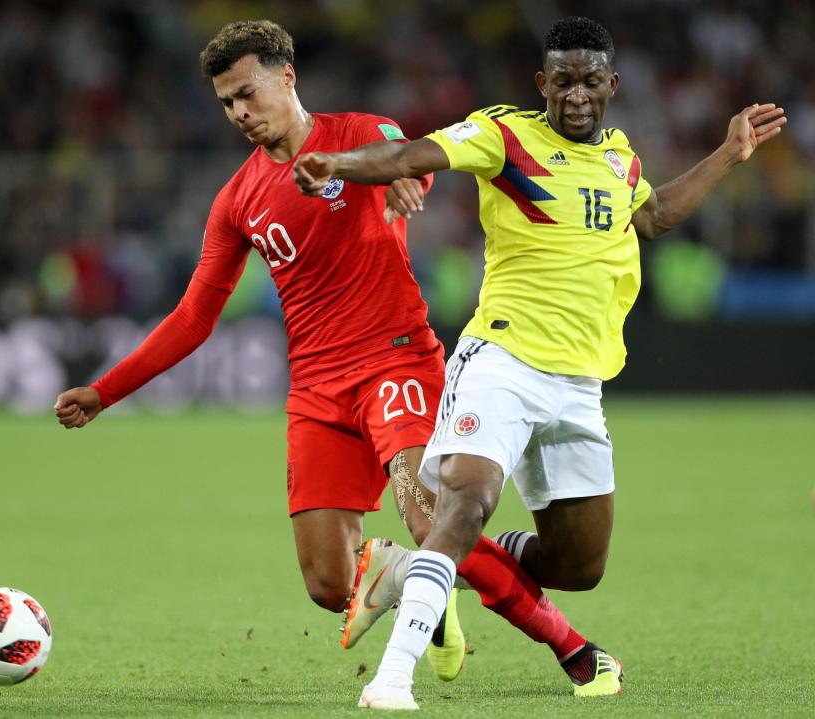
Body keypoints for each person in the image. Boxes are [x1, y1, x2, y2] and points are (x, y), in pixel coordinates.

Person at [54, 19, 613, 695]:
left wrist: (411, 186)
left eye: (248, 92)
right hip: (318, 391)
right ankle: (410, 577)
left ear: (287, 77)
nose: (239, 112)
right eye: (227, 101)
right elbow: (195, 316)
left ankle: (575, 648)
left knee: (430, 516)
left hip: (396, 362)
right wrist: (104, 391)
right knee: (329, 583)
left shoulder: (362, 132)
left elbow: (408, 161)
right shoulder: (237, 201)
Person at [294, 15, 786, 711]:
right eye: (563, 81)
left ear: (612, 85)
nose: (576, 94)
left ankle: (407, 567)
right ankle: (392, 676)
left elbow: (655, 217)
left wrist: (730, 154)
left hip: (579, 384)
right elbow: (409, 156)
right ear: (541, 83)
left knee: (578, 565)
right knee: (467, 501)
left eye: (590, 81)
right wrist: (337, 164)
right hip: (503, 360)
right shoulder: (503, 135)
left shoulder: (619, 156)